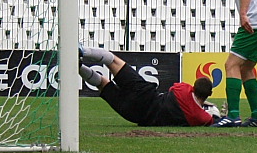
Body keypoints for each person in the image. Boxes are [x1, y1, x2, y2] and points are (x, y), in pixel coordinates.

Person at [79, 46, 216, 126]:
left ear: (193, 86)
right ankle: (77, 66)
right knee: (103, 84)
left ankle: (82, 51)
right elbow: (210, 120)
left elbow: (172, 89)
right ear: (208, 94)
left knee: (113, 61)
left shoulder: (184, 89)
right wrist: (213, 109)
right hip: (135, 115)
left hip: (144, 95)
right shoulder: (198, 116)